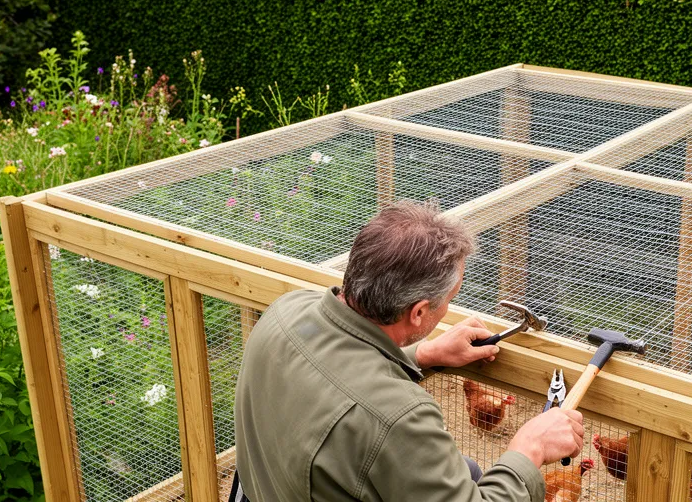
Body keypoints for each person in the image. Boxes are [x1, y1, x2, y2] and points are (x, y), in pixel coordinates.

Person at [234, 200, 584, 501]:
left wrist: (422, 354)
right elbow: (372, 405)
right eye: (449, 300)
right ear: (418, 312)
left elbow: (337, 368)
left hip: (263, 487)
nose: (448, 309)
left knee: (470, 469)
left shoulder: (288, 309)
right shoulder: (400, 416)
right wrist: (530, 448)